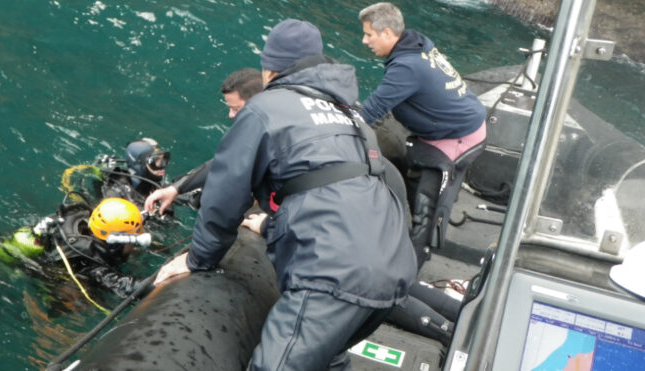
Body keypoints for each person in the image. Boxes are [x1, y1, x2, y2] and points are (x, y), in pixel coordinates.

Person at [154, 19, 416, 370]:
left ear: (270, 70)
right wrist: (270, 226)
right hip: (395, 266)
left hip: (333, 274)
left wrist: (197, 260)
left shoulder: (265, 108)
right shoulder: (351, 115)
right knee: (329, 358)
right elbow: (341, 188)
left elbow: (224, 194)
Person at [358, 2, 487, 266]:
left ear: (387, 34)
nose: (364, 40)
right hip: (441, 129)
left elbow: (372, 110)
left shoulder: (407, 67)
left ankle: (414, 264)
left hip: (459, 138)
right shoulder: (414, 44)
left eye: (369, 34)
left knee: (425, 210)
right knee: (411, 179)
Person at [144, 69, 263, 214]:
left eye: (236, 109)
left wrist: (263, 223)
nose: (231, 115)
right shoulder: (254, 126)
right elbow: (225, 161)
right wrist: (175, 188)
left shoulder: (276, 137)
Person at [0, 197, 149, 300]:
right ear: (117, 241)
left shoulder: (87, 222)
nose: (136, 241)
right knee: (79, 298)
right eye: (134, 237)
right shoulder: (91, 262)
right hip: (54, 278)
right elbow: (123, 286)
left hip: (51, 255)